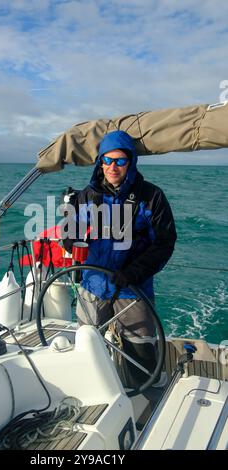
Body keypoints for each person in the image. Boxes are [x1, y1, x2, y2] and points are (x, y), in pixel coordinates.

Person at [63, 130, 177, 389]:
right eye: (107, 160)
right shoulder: (86, 196)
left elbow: (164, 242)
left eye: (120, 161)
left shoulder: (152, 197)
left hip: (132, 286)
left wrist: (135, 272)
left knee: (140, 350)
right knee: (86, 342)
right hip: (93, 283)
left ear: (131, 162)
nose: (113, 167)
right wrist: (69, 238)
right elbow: (72, 227)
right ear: (100, 162)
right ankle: (90, 390)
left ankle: (147, 393)